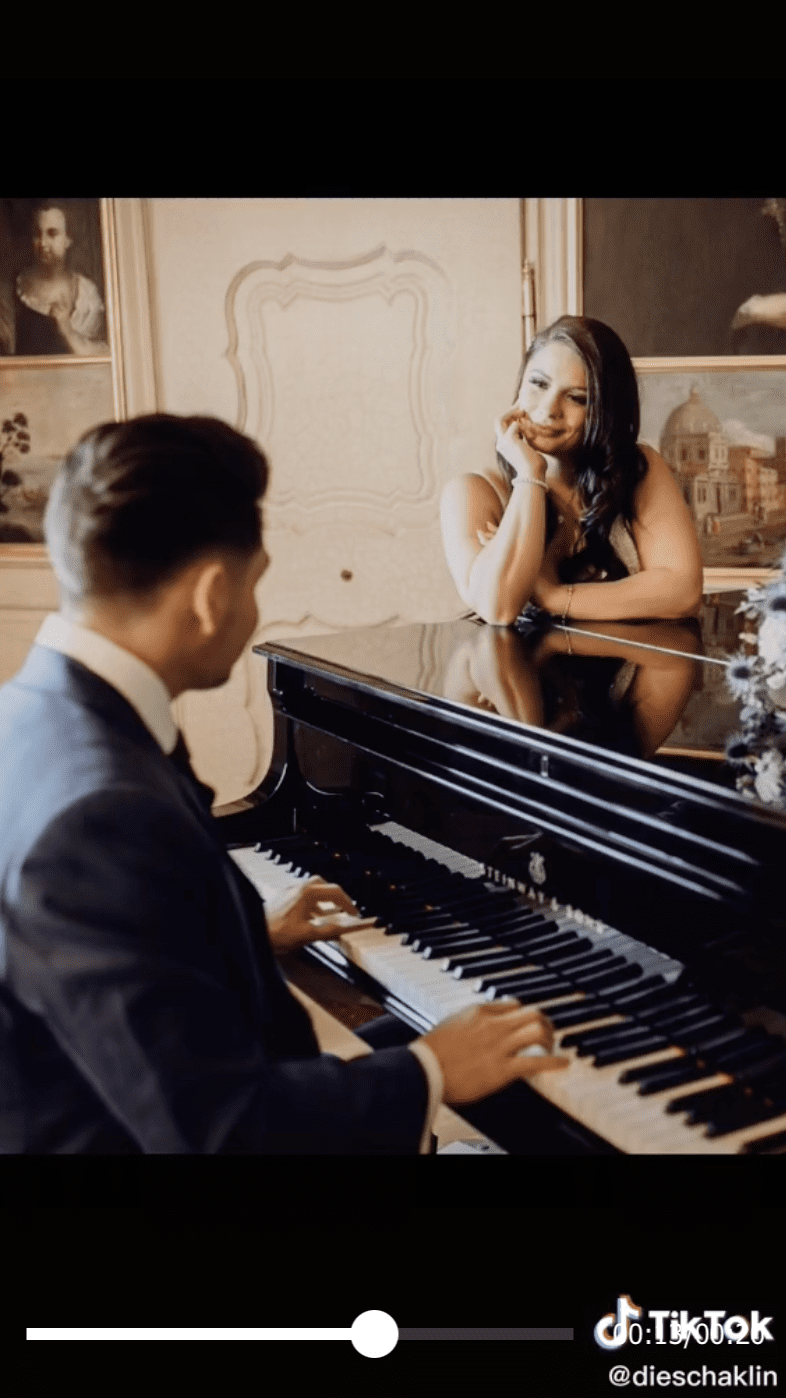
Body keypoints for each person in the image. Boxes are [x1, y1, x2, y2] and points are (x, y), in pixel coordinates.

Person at [0, 413, 567, 1154]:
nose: (255, 608)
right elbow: (223, 1132)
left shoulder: (32, 715)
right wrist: (432, 1070)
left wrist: (239, 934)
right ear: (209, 594)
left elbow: (98, 965)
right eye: (254, 582)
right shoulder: (101, 818)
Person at [440, 316, 703, 627]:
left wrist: (552, 597)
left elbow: (683, 592)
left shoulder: (638, 469)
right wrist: (529, 474)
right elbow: (498, 608)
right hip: (516, 674)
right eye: (538, 383)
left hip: (624, 670)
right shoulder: (473, 492)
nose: (548, 409)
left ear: (605, 411)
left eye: (577, 398)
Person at [13, 203, 109, 356]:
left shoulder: (85, 293)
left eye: (52, 234)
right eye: (38, 234)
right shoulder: (14, 287)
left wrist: (66, 330)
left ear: (68, 240)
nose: (43, 243)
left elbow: (102, 355)